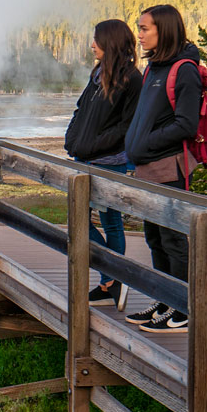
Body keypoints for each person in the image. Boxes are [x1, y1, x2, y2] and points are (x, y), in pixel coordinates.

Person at [121, 4, 204, 334]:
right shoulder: (153, 68)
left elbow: (186, 123)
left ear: (163, 30)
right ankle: (164, 298)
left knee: (172, 239)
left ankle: (184, 307)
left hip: (170, 168)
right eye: (139, 28)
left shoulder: (184, 70)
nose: (139, 34)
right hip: (147, 169)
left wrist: (148, 141)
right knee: (154, 236)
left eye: (145, 28)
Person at [64, 19, 142, 310]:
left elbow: (126, 126)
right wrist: (72, 138)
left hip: (110, 163)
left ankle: (110, 280)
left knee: (111, 222)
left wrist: (92, 144)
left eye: (95, 40)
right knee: (78, 219)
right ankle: (112, 279)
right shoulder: (97, 73)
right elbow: (81, 109)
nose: (91, 45)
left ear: (109, 42)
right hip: (83, 160)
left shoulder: (132, 79)